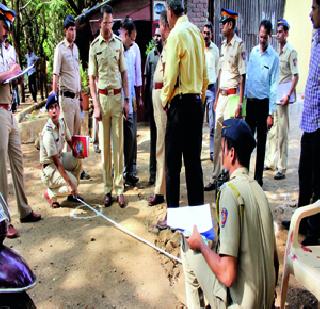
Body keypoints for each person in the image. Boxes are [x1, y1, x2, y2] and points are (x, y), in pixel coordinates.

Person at [181, 118, 278, 308]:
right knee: (214, 246)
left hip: (240, 304)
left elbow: (227, 275)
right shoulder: (259, 190)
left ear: (231, 154)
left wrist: (200, 245)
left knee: (186, 246)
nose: (220, 153)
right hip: (265, 301)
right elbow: (274, 261)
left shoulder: (229, 193)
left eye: (222, 148)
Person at [157, 0, 208, 229]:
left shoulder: (176, 34)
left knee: (173, 165)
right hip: (196, 103)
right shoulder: (197, 33)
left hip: (179, 104)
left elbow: (170, 77)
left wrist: (164, 100)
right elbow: (205, 75)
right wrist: (200, 98)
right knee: (194, 164)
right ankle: (198, 219)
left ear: (170, 12)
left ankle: (173, 217)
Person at [0, 3, 41, 239]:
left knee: (17, 163)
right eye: (3, 25)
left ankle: (24, 209)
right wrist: (8, 74)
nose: (6, 29)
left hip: (10, 111)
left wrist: (15, 72)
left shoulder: (7, 48)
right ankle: (4, 222)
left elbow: (14, 69)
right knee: (0, 170)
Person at [282, 0, 320, 246]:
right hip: (310, 122)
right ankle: (301, 220)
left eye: (314, 7)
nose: (310, 13)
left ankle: (315, 230)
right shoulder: (317, 38)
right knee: (304, 175)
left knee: (318, 179)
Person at [88, 4, 129, 208]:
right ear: (100, 22)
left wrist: (127, 99)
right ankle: (107, 190)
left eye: (111, 22)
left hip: (117, 99)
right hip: (103, 101)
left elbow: (124, 73)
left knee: (118, 146)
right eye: (105, 22)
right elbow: (92, 79)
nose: (108, 26)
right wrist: (95, 105)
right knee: (105, 148)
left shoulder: (118, 44)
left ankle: (120, 188)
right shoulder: (94, 46)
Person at [204, 9, 246, 192]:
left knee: (230, 138)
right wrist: (216, 98)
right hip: (221, 96)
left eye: (223, 24)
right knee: (218, 136)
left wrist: (240, 103)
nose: (221, 27)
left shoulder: (239, 45)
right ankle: (216, 176)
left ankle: (230, 177)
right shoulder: (222, 45)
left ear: (230, 25)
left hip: (232, 96)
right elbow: (221, 72)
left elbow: (243, 76)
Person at [52, 14, 90, 181]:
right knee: (68, 136)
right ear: (65, 31)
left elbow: (77, 74)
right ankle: (68, 173)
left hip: (76, 99)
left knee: (77, 136)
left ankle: (78, 168)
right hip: (65, 99)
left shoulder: (75, 48)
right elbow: (55, 75)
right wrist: (54, 101)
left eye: (74, 29)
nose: (73, 32)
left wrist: (81, 98)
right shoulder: (60, 49)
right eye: (70, 29)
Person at [246, 19, 279, 187]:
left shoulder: (274, 58)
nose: (262, 40)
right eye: (260, 36)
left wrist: (270, 113)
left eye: (265, 37)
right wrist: (243, 104)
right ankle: (243, 176)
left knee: (261, 143)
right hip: (250, 103)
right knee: (246, 140)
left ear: (270, 37)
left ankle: (258, 178)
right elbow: (249, 78)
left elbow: (274, 86)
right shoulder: (252, 53)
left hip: (263, 105)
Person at [265, 19, 299, 180]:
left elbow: (295, 76)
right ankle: (271, 161)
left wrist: (288, 94)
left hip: (284, 94)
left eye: (280, 32)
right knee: (272, 130)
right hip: (274, 95)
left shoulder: (291, 51)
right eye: (277, 32)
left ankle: (281, 167)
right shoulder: (275, 52)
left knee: (283, 133)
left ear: (286, 32)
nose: (277, 35)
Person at [40, 93, 82, 208]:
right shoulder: (47, 133)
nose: (54, 111)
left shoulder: (62, 122)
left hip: (59, 158)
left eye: (55, 107)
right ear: (48, 112)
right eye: (51, 108)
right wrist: (69, 183)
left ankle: (72, 193)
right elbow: (57, 163)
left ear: (59, 108)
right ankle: (50, 193)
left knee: (77, 159)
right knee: (72, 183)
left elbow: (70, 141)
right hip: (50, 168)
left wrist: (79, 151)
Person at [148, 11, 170, 206]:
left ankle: (161, 190)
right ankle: (161, 187)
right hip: (158, 99)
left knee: (162, 146)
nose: (159, 31)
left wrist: (164, 100)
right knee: (159, 145)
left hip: (163, 100)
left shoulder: (171, 44)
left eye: (160, 26)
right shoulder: (164, 46)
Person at [120, 18, 139, 187]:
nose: (133, 42)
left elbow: (133, 79)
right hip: (117, 104)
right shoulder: (116, 50)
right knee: (119, 140)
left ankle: (129, 171)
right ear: (125, 34)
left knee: (131, 138)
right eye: (131, 39)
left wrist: (132, 100)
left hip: (129, 102)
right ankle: (119, 175)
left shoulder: (132, 51)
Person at [144, 26, 161, 186]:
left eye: (159, 36)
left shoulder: (166, 56)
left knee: (164, 142)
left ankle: (164, 173)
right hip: (153, 105)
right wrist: (146, 103)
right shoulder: (150, 56)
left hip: (165, 107)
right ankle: (152, 173)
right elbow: (146, 82)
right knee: (154, 140)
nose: (157, 38)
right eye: (155, 36)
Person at [202, 22, 219, 162]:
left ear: (211, 34)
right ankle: (197, 151)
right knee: (197, 123)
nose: (206, 35)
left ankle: (212, 152)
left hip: (212, 89)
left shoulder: (216, 50)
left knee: (212, 123)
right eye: (204, 33)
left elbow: (218, 70)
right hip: (200, 90)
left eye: (208, 33)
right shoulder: (198, 49)